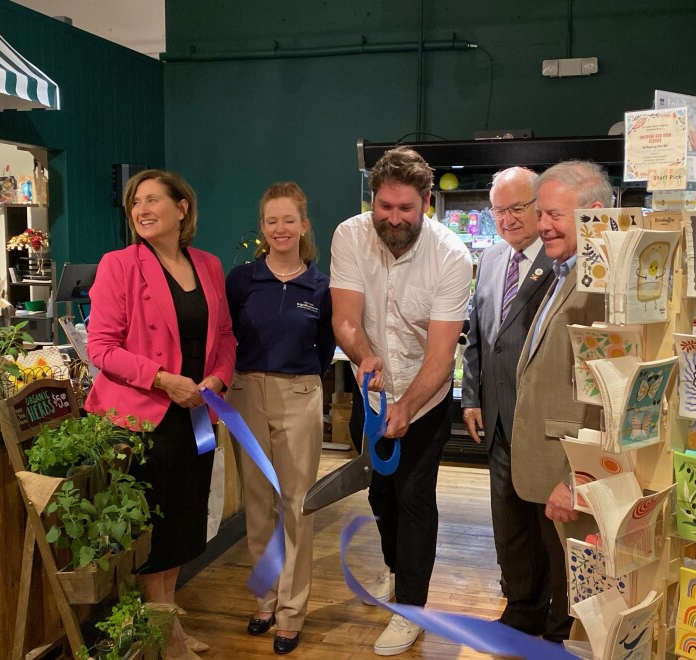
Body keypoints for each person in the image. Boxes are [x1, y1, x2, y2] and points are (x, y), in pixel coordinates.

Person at [86, 169, 236, 660]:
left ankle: (165, 623)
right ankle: (165, 638)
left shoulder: (209, 266)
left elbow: (227, 338)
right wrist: (163, 380)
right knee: (158, 527)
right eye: (135, 204)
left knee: (186, 521)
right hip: (146, 418)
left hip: (198, 412)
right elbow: (101, 348)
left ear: (182, 207)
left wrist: (215, 380)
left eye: (153, 200)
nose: (143, 210)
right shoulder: (119, 264)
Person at [330, 146, 472, 656]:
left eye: (405, 208)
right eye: (384, 207)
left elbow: (440, 355)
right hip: (370, 394)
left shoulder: (452, 254)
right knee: (379, 497)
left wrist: (407, 407)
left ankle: (411, 607)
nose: (393, 218)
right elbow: (345, 318)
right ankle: (396, 570)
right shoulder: (350, 235)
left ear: (426, 202)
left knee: (414, 499)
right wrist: (364, 355)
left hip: (424, 400)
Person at [225, 182, 335, 655]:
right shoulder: (242, 280)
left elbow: (326, 348)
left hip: (300, 393)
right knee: (258, 503)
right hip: (246, 392)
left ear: (304, 225)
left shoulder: (320, 286)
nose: (280, 228)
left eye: (289, 219)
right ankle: (265, 599)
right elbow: (225, 337)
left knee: (297, 505)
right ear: (263, 227)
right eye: (272, 220)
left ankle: (292, 611)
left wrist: (300, 383)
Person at [504, 160, 609, 642]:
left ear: (595, 214)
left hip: (570, 474)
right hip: (548, 472)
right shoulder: (562, 270)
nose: (542, 225)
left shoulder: (603, 285)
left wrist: (577, 477)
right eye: (540, 213)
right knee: (562, 593)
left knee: (584, 605)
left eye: (554, 215)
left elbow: (608, 395)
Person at [460, 167, 554, 597]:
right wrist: (471, 397)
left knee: (545, 522)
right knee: (508, 520)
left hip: (541, 419)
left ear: (538, 207)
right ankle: (520, 603)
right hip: (497, 416)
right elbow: (479, 335)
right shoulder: (493, 257)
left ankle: (555, 613)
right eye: (499, 210)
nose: (508, 219)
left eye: (518, 208)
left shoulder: (560, 260)